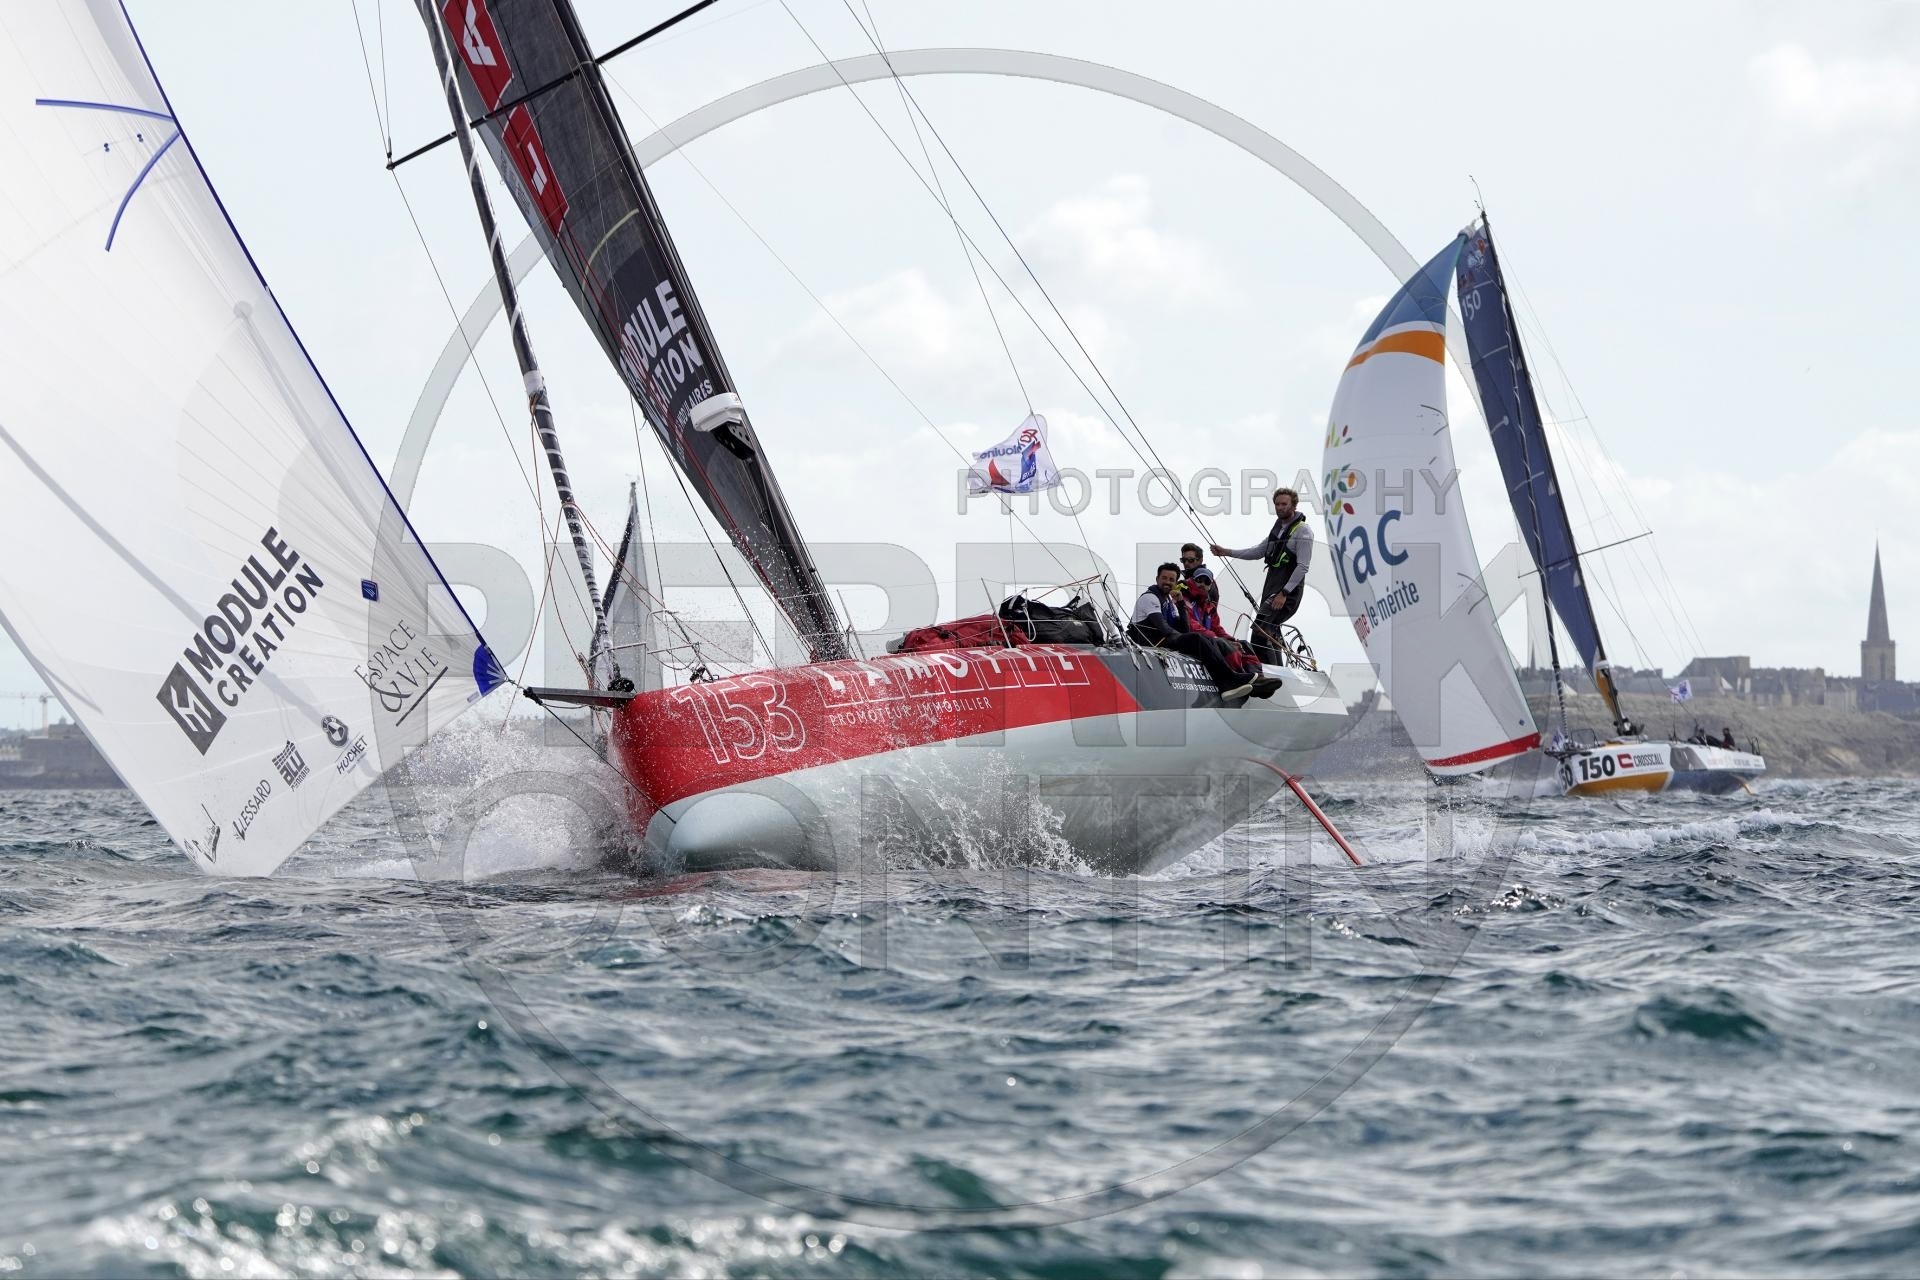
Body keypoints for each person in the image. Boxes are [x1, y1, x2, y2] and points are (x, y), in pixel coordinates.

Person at [1129, 564, 1276, 701]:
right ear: (1157, 579)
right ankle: (1229, 681)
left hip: (1163, 639)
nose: (1167, 582)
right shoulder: (1150, 597)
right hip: (1150, 642)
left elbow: (1184, 629)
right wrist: (1194, 638)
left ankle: (1253, 680)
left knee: (1214, 640)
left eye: (1171, 580)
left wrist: (1180, 603)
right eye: (1164, 578)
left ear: (1175, 583)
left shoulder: (1170, 600)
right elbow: (1165, 629)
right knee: (1200, 639)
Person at [1212, 487, 1314, 666]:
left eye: (1284, 504)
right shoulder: (1279, 530)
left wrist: (1284, 593)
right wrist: (1226, 552)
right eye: (1277, 504)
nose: (1280, 507)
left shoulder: (1303, 531)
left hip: (1287, 591)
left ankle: (1270, 672)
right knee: (1269, 631)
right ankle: (1279, 671)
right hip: (1272, 587)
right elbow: (1258, 552)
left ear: (1294, 505)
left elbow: (1303, 566)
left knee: (1260, 632)